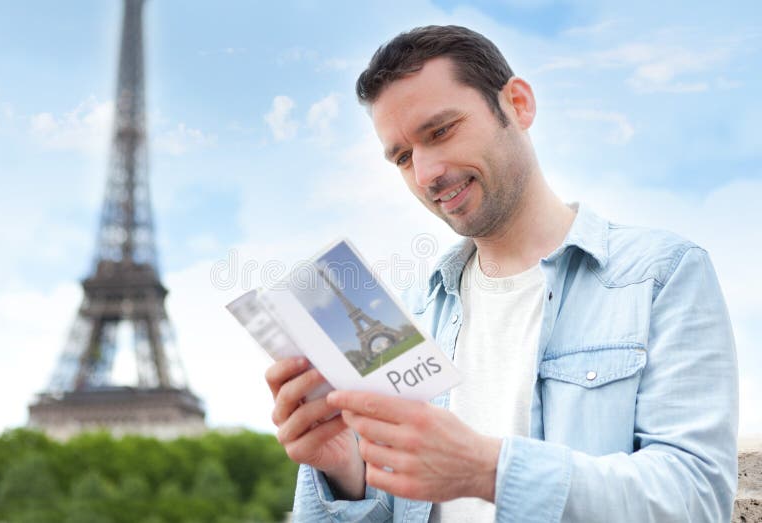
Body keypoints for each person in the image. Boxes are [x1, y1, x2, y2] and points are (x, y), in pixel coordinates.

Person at [265, 25, 738, 522]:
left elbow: (696, 499)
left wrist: (488, 470)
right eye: (403, 157)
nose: (426, 174)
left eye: (441, 131)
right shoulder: (408, 315)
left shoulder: (662, 274)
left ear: (517, 103)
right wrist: (347, 473)